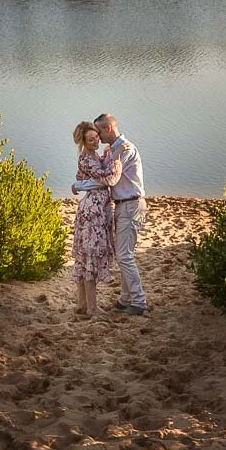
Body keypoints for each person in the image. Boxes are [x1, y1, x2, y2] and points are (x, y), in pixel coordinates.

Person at [93, 113, 147, 315]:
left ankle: (139, 302)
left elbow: (110, 178)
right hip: (123, 205)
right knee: (124, 254)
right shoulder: (113, 149)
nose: (97, 137)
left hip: (131, 205)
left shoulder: (125, 149)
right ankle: (126, 299)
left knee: (124, 256)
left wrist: (79, 185)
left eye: (98, 131)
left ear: (108, 128)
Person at [69, 121, 121, 316]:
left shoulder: (92, 156)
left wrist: (106, 155)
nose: (95, 141)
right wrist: (116, 158)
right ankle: (91, 307)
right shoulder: (87, 158)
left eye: (96, 137)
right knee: (89, 256)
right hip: (93, 210)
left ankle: (82, 304)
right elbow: (108, 178)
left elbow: (84, 180)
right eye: (91, 139)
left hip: (94, 208)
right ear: (83, 141)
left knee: (85, 256)